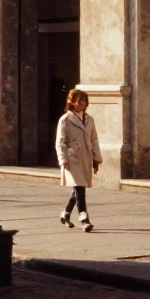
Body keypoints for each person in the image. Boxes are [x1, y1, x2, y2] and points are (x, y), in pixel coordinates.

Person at [56, 88, 103, 233]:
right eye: (80, 100)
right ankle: (84, 219)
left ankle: (65, 214)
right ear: (72, 102)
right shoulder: (65, 119)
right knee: (79, 187)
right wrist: (63, 159)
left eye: (85, 100)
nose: (83, 103)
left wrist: (96, 159)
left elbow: (94, 140)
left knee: (78, 187)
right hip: (72, 158)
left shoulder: (90, 120)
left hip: (86, 158)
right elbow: (60, 141)